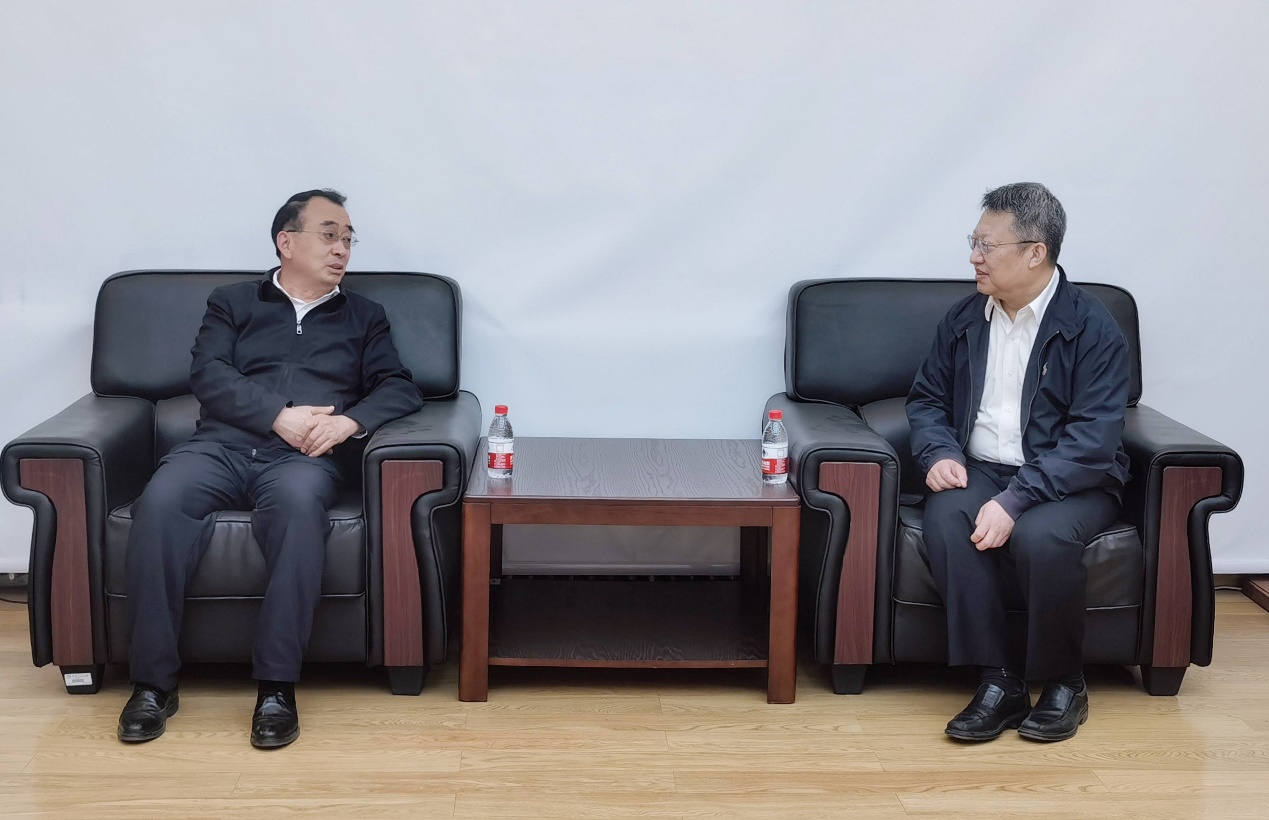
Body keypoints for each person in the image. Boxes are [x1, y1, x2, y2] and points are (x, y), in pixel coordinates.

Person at [117, 189, 423, 748]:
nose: (342, 248)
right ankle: (152, 685)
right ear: (287, 241)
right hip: (219, 447)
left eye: (348, 238)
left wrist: (349, 423)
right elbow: (208, 373)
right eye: (329, 234)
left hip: (302, 459)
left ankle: (277, 688)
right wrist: (277, 415)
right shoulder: (232, 302)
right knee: (159, 505)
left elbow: (399, 387)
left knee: (299, 511)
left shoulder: (364, 316)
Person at [906, 182, 1130, 743]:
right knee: (948, 516)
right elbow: (927, 399)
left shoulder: (1091, 327)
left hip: (1073, 478)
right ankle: (998, 681)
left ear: (1035, 252)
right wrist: (939, 452)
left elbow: (1092, 441)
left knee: (1041, 537)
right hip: (981, 466)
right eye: (973, 241)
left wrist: (1015, 500)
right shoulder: (964, 319)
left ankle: (1065, 683)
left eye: (987, 244)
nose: (974, 256)